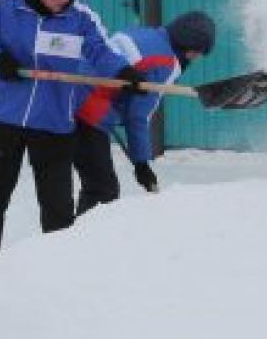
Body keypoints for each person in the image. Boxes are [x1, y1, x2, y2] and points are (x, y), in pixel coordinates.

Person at [0, 0, 143, 269]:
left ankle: (57, 271)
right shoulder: (6, 5)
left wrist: (125, 72)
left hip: (54, 123)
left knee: (57, 207)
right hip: (4, 119)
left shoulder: (80, 16)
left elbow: (100, 49)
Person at [72, 11, 216, 214]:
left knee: (73, 183)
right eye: (199, 52)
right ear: (189, 47)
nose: (198, 57)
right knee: (102, 192)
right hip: (88, 112)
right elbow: (138, 115)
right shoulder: (166, 63)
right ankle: (79, 243)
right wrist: (142, 164)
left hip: (67, 97)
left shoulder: (143, 34)